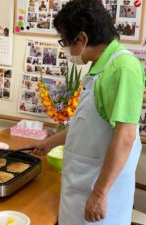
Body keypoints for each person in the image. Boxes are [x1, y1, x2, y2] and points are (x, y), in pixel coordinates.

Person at [31, 0, 144, 224]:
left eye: (64, 41)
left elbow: (125, 137)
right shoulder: (99, 66)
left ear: (81, 38)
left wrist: (100, 194)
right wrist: (52, 141)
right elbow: (89, 125)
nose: (65, 49)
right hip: (81, 185)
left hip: (100, 190)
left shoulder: (122, 67)